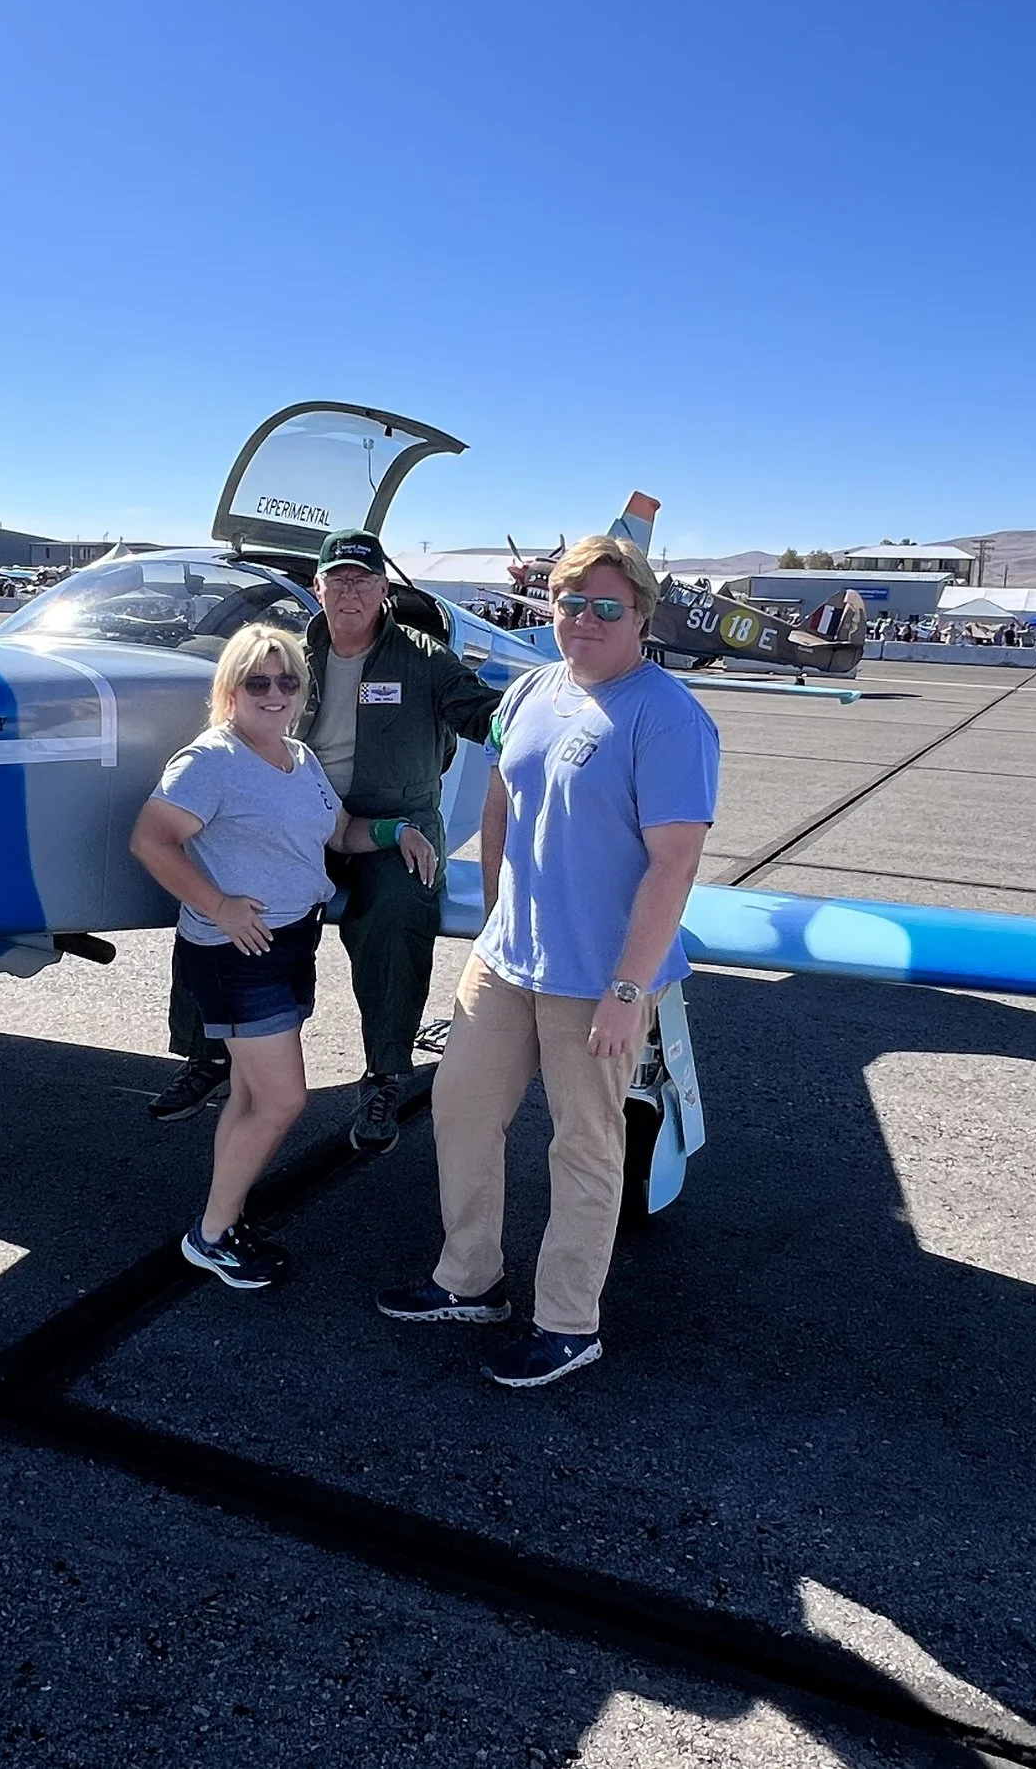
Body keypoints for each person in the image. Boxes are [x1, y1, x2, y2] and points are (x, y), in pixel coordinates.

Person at [377, 535, 720, 1388]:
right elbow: (499, 800)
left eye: (608, 607)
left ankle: (568, 1323)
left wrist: (628, 988)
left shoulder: (667, 714)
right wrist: (496, 916)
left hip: (598, 978)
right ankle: (471, 1279)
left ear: (641, 613)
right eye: (572, 604)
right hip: (509, 962)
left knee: (584, 1146)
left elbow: (675, 863)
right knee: (459, 1109)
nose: (587, 621)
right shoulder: (533, 688)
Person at [149, 528, 500, 1152]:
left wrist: (556, 720)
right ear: (318, 587)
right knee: (224, 889)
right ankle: (211, 1054)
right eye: (337, 579)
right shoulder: (293, 656)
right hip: (304, 817)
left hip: (394, 828)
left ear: (384, 588)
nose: (349, 591)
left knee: (395, 911)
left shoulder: (421, 659)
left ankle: (387, 1071)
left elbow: (481, 714)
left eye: (362, 579)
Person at [130, 623, 437, 1289]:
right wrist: (218, 905)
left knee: (248, 1094)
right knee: (282, 1100)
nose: (275, 692)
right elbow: (151, 840)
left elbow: (342, 832)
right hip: (236, 954)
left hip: (290, 943)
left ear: (303, 690)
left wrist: (397, 830)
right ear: (230, 689)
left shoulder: (299, 757)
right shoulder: (211, 760)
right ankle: (210, 1234)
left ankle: (226, 1213)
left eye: (288, 679)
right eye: (258, 680)